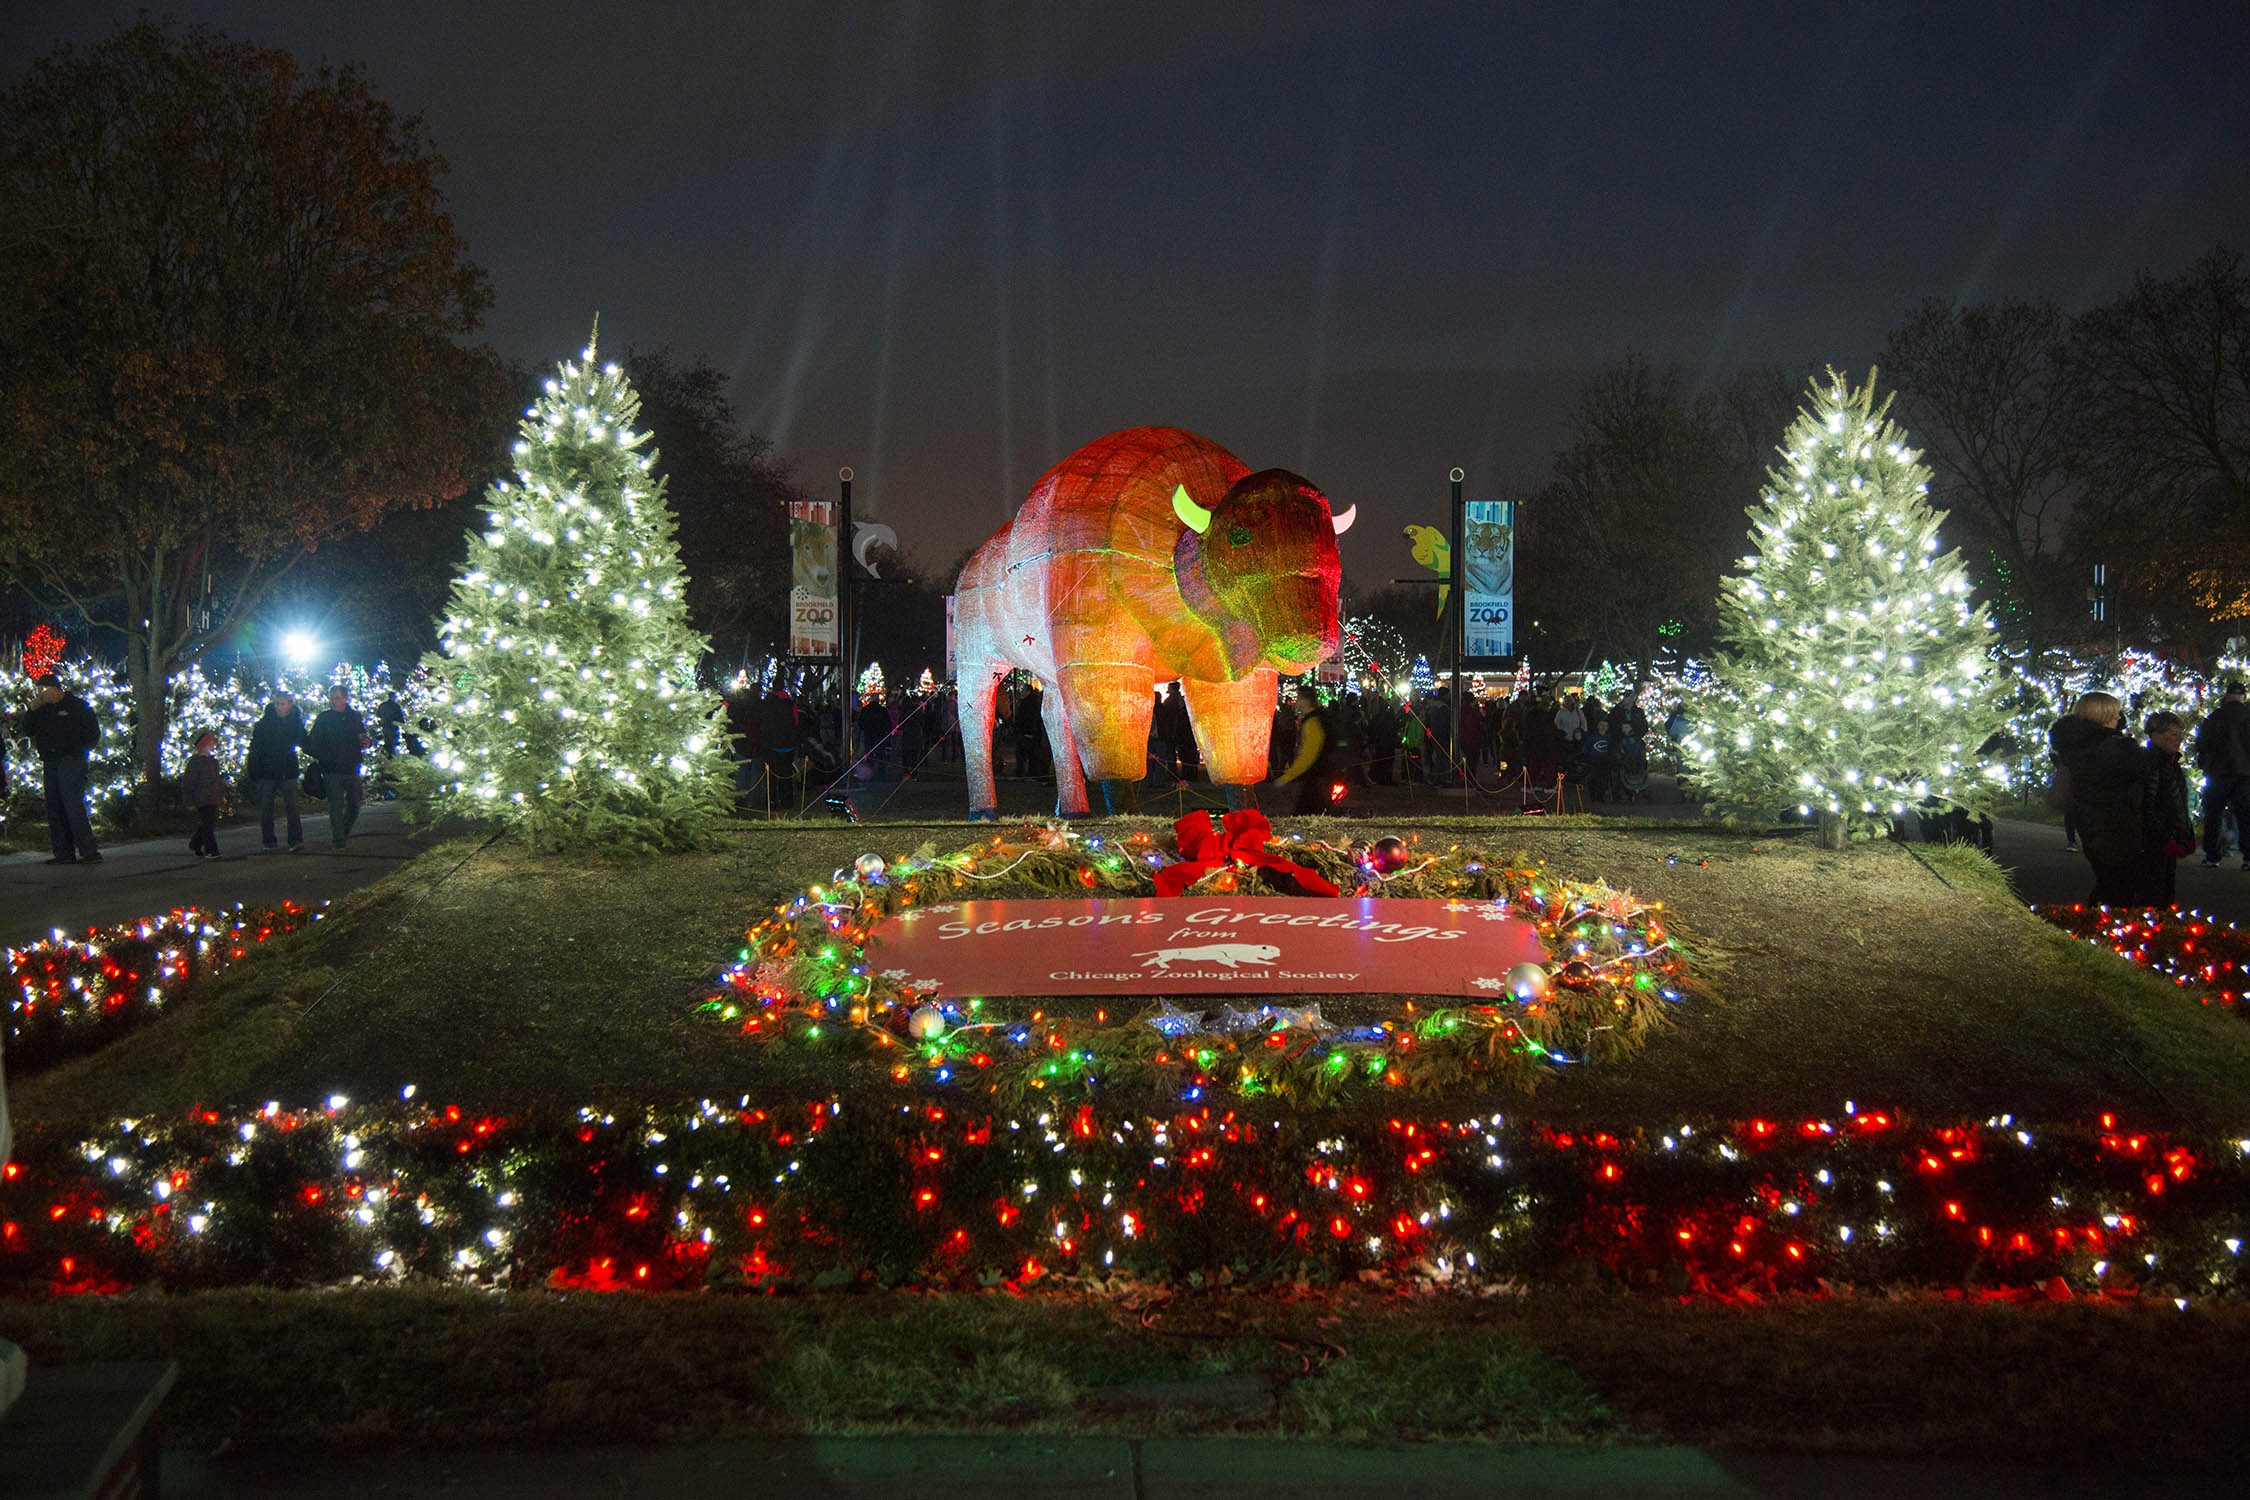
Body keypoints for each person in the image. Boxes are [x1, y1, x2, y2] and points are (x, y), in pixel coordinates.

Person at [2048, 691, 2143, 906]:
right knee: (2121, 885)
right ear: (2104, 715)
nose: (2119, 717)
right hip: (2118, 822)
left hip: (2090, 822)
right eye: (2115, 713)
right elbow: (2139, 774)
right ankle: (2101, 928)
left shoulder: (2074, 747)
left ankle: (2097, 925)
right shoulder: (2115, 748)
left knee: (2108, 880)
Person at [20, 672, 102, 865]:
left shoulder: (77, 706)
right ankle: (63, 852)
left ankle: (89, 851)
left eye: (45, 690)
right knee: (54, 806)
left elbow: (92, 733)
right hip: (50, 759)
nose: (42, 694)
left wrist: (77, 751)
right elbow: (28, 730)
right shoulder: (41, 709)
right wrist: (32, 710)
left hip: (70, 759)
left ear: (57, 689)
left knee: (72, 804)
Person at [2193, 681, 2250, 869]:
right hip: (2244, 774)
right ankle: (2248, 857)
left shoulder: (2215, 717)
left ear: (2226, 696)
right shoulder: (2247, 716)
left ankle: (2212, 855)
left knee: (2213, 815)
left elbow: (2202, 744)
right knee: (2245, 815)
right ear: (2243, 696)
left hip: (2217, 772)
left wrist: (2205, 764)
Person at [2139, 711, 2194, 904]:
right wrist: (2163, 837)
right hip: (2155, 841)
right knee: (2153, 893)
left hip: (2169, 836)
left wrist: (2186, 832)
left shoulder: (2171, 764)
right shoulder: (2152, 763)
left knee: (2165, 891)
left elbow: (2178, 801)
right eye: (2173, 734)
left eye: (2180, 734)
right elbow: (2147, 805)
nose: (2178, 739)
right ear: (2157, 734)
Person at [1277, 683, 1355, 814]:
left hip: (1317, 775)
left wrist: (1288, 776)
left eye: (1298, 698)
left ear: (1306, 701)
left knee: (1310, 812)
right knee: (1321, 811)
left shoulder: (1312, 722)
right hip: (1323, 773)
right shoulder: (1319, 718)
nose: (1296, 702)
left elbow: (1309, 753)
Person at [306, 687, 367, 847]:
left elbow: (362, 735)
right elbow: (313, 741)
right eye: (332, 698)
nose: (335, 701)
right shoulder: (324, 718)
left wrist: (365, 741)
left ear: (345, 698)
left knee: (355, 804)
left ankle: (343, 829)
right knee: (336, 805)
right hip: (331, 768)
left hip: (351, 766)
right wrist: (323, 756)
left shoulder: (354, 717)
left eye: (338, 698)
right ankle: (338, 839)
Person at [247, 691, 308, 852]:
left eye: (283, 704)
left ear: (290, 704)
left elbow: (303, 740)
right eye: (277, 704)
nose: (280, 707)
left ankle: (295, 840)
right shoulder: (264, 724)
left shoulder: (294, 723)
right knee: (267, 809)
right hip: (267, 771)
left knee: (292, 807)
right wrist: (254, 770)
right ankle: (269, 841)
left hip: (287, 769)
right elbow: (255, 748)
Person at [183, 729, 228, 860]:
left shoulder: (213, 762)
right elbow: (189, 782)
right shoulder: (196, 763)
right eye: (210, 744)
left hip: (212, 797)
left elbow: (217, 780)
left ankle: (196, 843)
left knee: (208, 823)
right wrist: (189, 801)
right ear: (203, 746)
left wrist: (220, 795)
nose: (213, 746)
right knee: (208, 825)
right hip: (202, 798)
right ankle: (211, 851)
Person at [1582, 716, 1617, 802]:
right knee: (1594, 778)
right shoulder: (1592, 737)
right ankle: (1593, 796)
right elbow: (1586, 748)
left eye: (1605, 726)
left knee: (1604, 779)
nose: (1603, 727)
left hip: (1605, 760)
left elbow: (1612, 749)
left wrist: (1610, 757)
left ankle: (1600, 796)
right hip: (1594, 760)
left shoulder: (1609, 738)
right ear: (1598, 726)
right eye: (1601, 725)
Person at [373, 691, 405, 758]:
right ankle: (391, 755)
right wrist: (402, 724)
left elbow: (378, 714)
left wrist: (381, 722)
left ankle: (388, 754)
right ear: (392, 697)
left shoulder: (383, 705)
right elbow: (400, 717)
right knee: (392, 741)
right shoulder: (396, 706)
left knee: (387, 740)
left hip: (385, 726)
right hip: (393, 726)